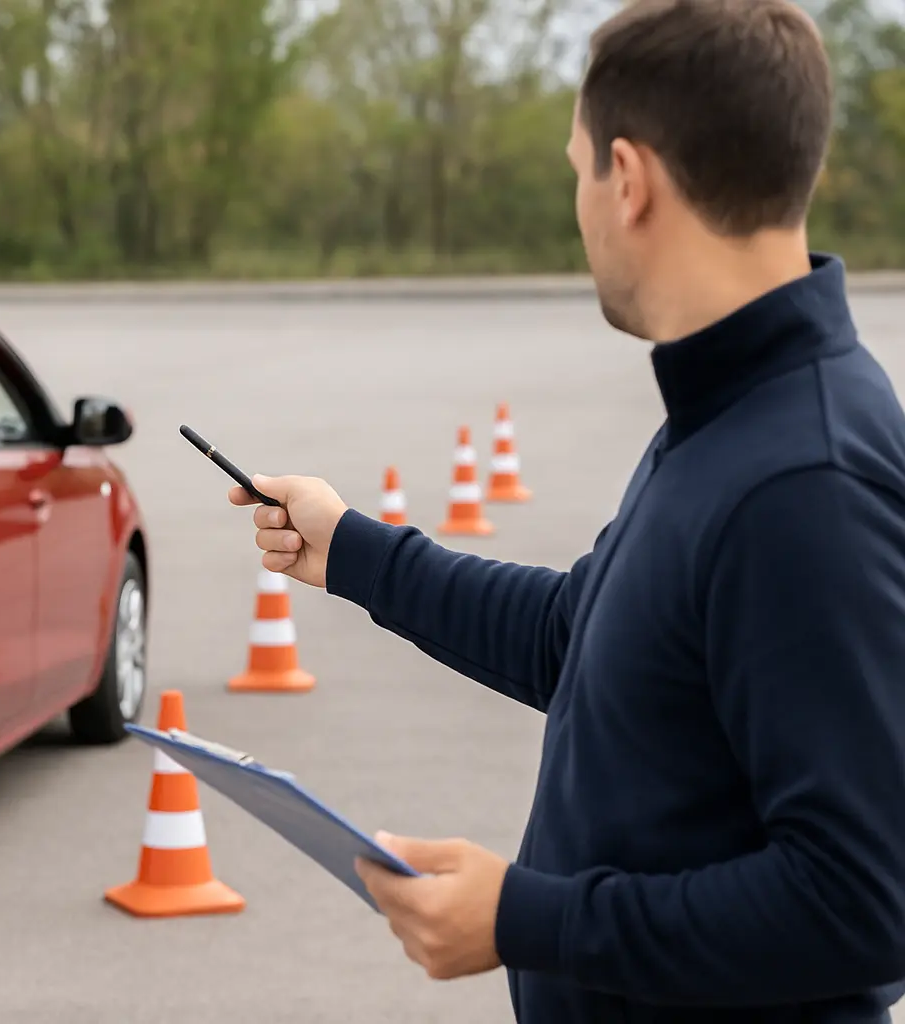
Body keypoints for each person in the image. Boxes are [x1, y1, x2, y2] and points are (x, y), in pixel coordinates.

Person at [227, 0, 905, 1020]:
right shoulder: (728, 413)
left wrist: (527, 918)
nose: (580, 202)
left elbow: (863, 901)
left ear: (627, 180)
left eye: (578, 168)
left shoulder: (803, 481)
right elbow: (582, 635)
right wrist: (350, 551)